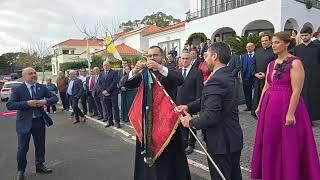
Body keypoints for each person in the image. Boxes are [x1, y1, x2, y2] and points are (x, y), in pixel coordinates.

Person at [251, 32, 320, 180]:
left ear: (287, 43)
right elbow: (266, 86)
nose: (273, 45)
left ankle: (289, 174)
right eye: (273, 42)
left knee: (288, 143)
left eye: (277, 42)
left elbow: (297, 90)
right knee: (271, 141)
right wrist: (259, 105)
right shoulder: (271, 64)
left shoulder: (295, 62)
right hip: (270, 108)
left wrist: (290, 113)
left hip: (288, 106)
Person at [177, 42, 243, 180]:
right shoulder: (229, 75)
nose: (204, 59)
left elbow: (210, 116)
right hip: (233, 137)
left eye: (206, 56)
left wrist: (191, 122)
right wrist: (188, 107)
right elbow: (206, 100)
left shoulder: (216, 80)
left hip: (220, 141)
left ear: (214, 56)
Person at [125, 46, 191, 180]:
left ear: (162, 57)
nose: (152, 58)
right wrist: (135, 70)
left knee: (169, 157)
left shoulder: (168, 71)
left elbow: (179, 79)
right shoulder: (144, 74)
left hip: (167, 123)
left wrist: (159, 67)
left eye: (155, 55)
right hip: (148, 122)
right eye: (149, 56)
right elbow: (127, 83)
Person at [7, 67, 58, 180]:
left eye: (35, 73)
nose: (34, 75)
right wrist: (27, 103)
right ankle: (21, 170)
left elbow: (54, 98)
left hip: (39, 121)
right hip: (24, 123)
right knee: (22, 148)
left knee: (40, 145)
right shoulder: (18, 89)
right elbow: (10, 105)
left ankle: (40, 165)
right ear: (24, 76)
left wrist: (45, 101)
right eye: (30, 73)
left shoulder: (41, 87)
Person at [176, 52, 203, 155]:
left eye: (187, 58)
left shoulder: (197, 72)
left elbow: (199, 90)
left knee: (191, 124)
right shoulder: (177, 72)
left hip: (191, 104)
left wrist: (197, 105)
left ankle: (191, 143)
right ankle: (184, 142)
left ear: (191, 59)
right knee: (182, 124)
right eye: (182, 58)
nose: (184, 60)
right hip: (179, 103)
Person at [294, 27, 320, 122]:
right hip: (301, 76)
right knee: (302, 96)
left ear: (310, 34)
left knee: (313, 96)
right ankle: (303, 117)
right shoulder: (297, 49)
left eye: (306, 35)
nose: (304, 37)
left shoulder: (317, 47)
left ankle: (312, 117)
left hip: (315, 76)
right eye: (302, 35)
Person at [252, 34, 276, 117]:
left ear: (270, 40)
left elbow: (276, 65)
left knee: (267, 96)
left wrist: (266, 74)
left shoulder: (274, 51)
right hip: (258, 78)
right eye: (262, 41)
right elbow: (253, 63)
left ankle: (266, 114)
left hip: (269, 79)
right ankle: (256, 112)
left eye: (266, 40)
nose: (264, 42)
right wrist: (255, 73)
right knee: (257, 95)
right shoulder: (257, 51)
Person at [97, 61, 121, 128]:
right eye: (104, 65)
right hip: (105, 94)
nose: (105, 66)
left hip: (113, 93)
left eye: (107, 65)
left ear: (109, 65)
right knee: (108, 108)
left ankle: (117, 122)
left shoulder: (114, 73)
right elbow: (99, 83)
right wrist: (103, 91)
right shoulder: (101, 73)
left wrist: (107, 91)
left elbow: (114, 83)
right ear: (103, 66)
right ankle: (110, 121)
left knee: (115, 108)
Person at [241, 42, 255, 111]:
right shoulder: (243, 56)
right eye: (247, 47)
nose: (248, 48)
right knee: (247, 92)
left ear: (253, 47)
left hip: (255, 77)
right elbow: (241, 66)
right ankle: (249, 106)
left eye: (250, 46)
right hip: (246, 77)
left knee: (256, 92)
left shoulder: (257, 55)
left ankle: (256, 106)